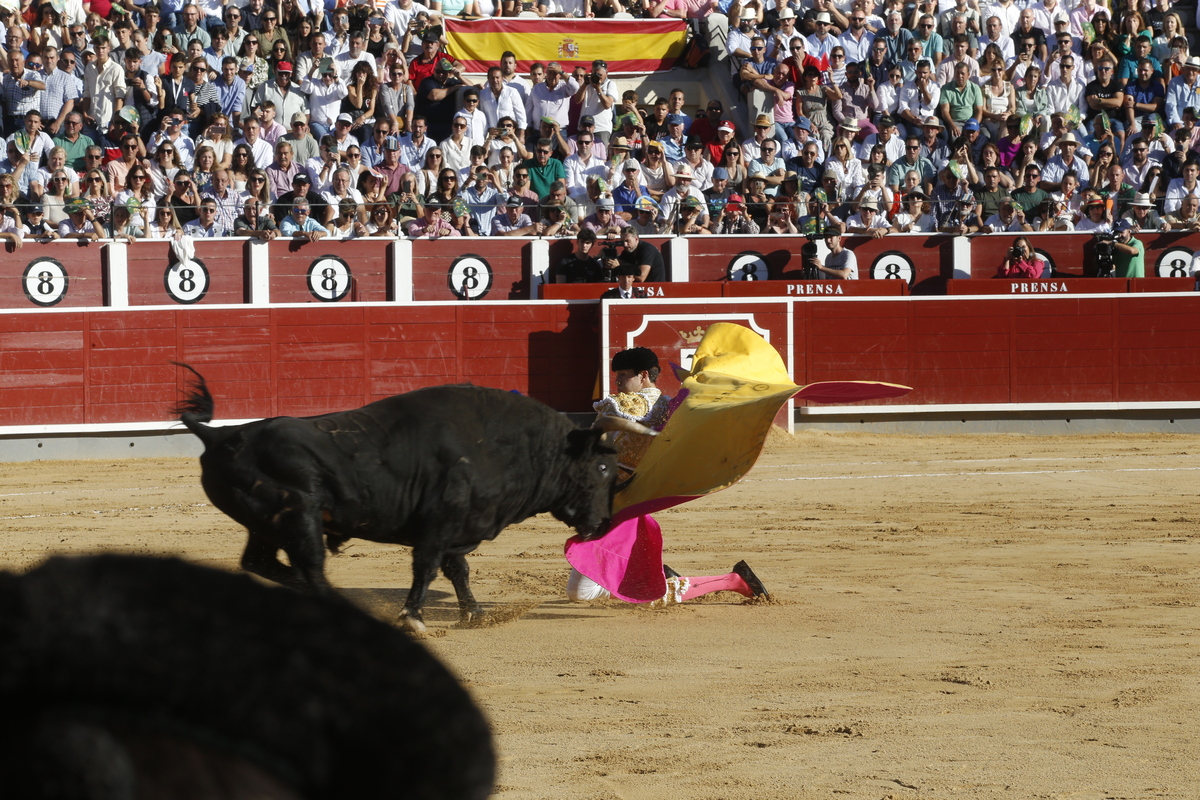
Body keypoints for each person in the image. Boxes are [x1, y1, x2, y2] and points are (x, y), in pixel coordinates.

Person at [565, 347, 769, 606]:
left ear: (642, 376)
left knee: (583, 593)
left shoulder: (633, 404)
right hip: (620, 500)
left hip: (620, 506)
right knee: (581, 591)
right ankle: (657, 580)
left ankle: (732, 581)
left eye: (624, 375)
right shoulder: (671, 407)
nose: (617, 382)